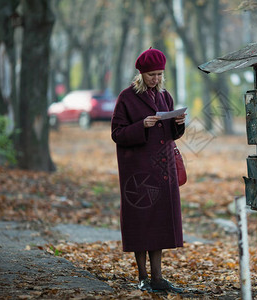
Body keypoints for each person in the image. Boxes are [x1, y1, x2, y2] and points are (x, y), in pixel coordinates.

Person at [111, 48, 186, 293]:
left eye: (159, 74)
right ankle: (143, 276)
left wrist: (179, 124)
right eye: (151, 74)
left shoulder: (165, 96)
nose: (155, 79)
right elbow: (117, 134)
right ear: (141, 74)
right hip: (138, 173)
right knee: (141, 223)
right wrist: (141, 125)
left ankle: (158, 278)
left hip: (163, 170)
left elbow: (171, 135)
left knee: (161, 224)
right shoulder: (127, 97)